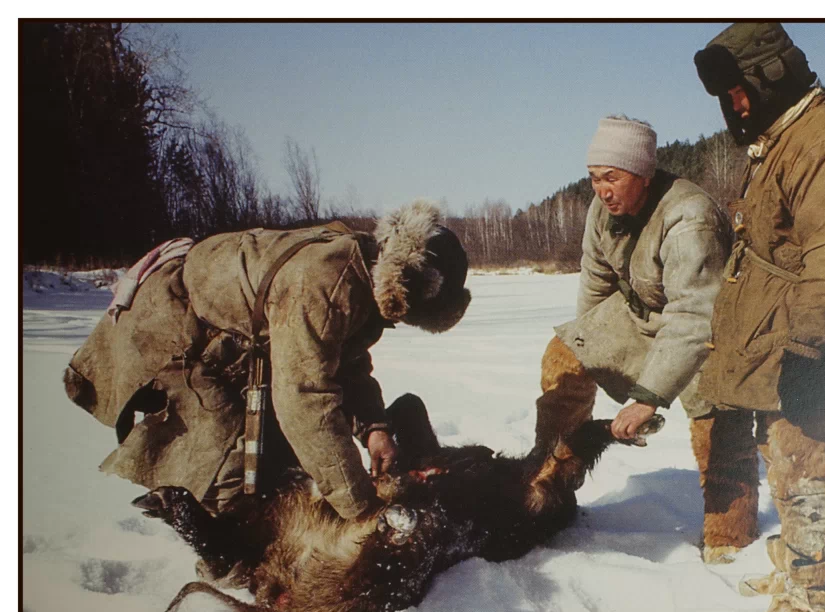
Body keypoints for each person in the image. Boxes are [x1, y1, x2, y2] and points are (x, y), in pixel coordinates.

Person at [64, 201, 471, 520]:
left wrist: (374, 428)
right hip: (172, 325)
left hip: (236, 337)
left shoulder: (363, 274)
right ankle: (216, 551)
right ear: (407, 287)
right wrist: (361, 506)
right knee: (231, 478)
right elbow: (304, 398)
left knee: (284, 464)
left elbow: (345, 362)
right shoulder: (324, 284)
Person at [693, 23, 825, 612]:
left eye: (741, 89)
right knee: (783, 456)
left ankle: (809, 597)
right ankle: (794, 572)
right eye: (727, 97)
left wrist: (809, 348)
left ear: (771, 75)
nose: (736, 104)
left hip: (811, 340)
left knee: (807, 466)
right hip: (778, 336)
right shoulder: (784, 138)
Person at [526, 115, 740, 555]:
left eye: (613, 177)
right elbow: (596, 284)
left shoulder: (688, 216)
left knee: (713, 416)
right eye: (594, 178)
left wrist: (648, 396)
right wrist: (589, 351)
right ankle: (550, 485)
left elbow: (695, 315)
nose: (602, 189)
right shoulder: (602, 213)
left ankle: (729, 535)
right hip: (642, 316)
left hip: (708, 328)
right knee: (563, 354)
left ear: (643, 175)